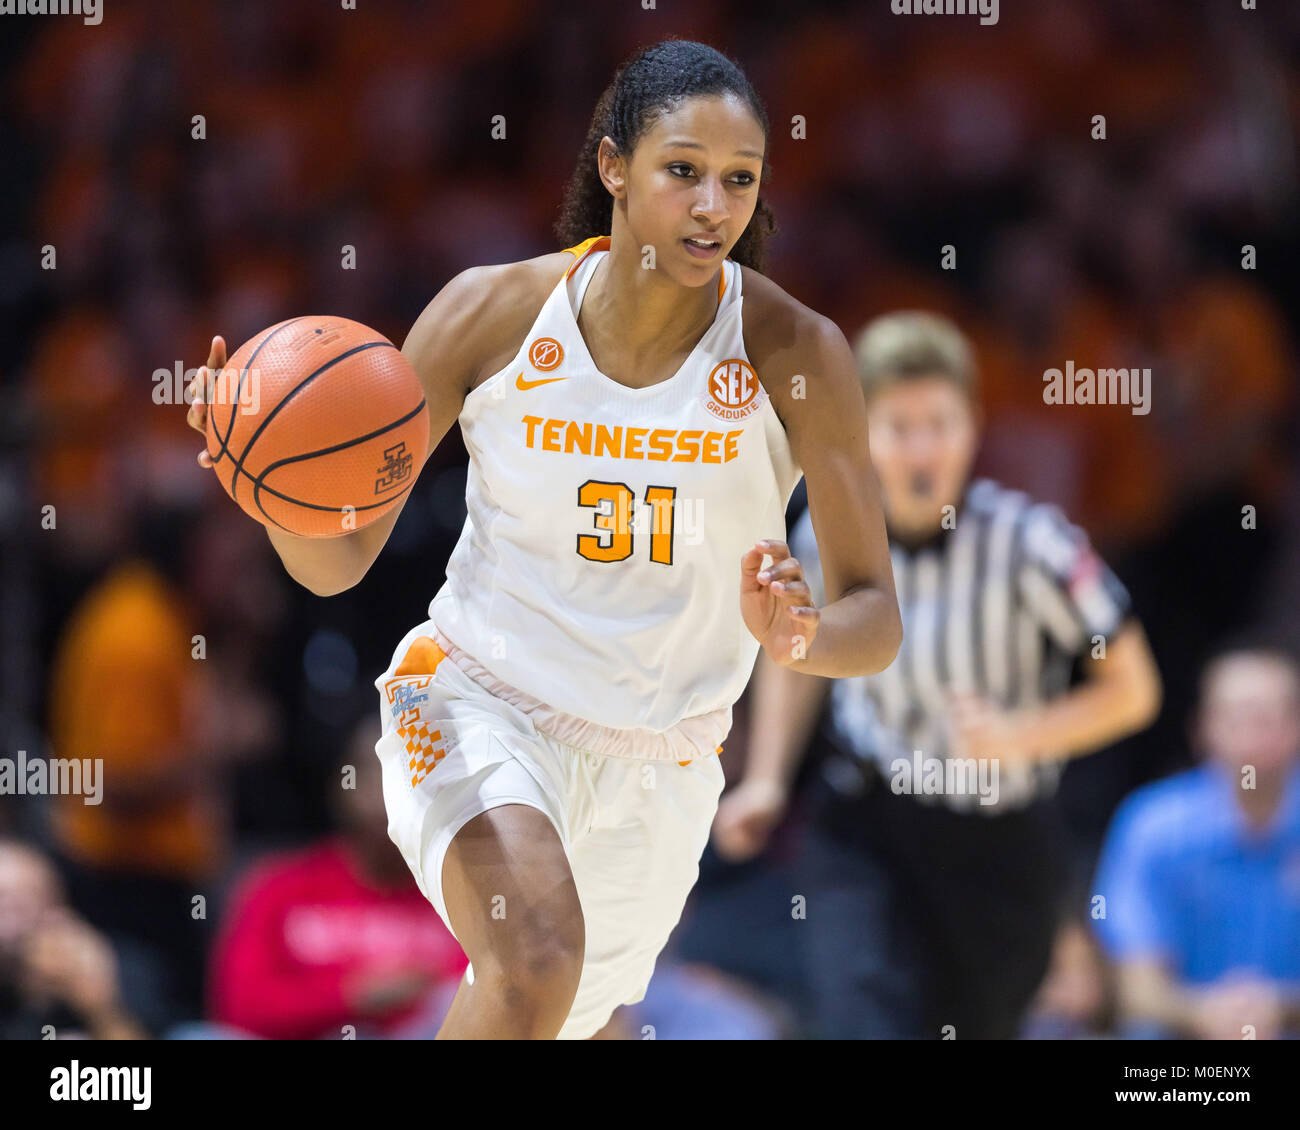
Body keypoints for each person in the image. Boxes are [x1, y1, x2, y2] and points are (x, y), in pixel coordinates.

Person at [185, 39, 901, 1039]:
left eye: (739, 180)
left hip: (663, 761)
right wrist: (277, 494)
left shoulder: (798, 353)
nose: (712, 206)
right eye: (682, 171)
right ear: (612, 166)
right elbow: (337, 561)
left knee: (563, 1013)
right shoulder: (492, 313)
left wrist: (800, 634)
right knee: (535, 960)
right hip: (478, 698)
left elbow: (874, 617)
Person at [714, 310, 1162, 1038]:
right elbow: (798, 656)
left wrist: (1024, 734)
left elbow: (1133, 689)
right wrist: (766, 778)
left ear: (976, 427)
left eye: (941, 424)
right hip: (867, 825)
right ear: (862, 432)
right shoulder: (826, 536)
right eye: (899, 426)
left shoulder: (1033, 544)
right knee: (863, 1020)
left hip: (999, 845)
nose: (923, 449)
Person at [206, 719, 467, 1039]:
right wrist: (352, 997)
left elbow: (488, 1001)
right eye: (379, 774)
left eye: (416, 778)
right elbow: (239, 1006)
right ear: (346, 784)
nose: (397, 794)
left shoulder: (461, 898)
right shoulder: (281, 887)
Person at [1092, 648, 1300, 1039]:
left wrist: (1278, 1008)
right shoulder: (1151, 824)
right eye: (1235, 716)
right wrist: (1206, 1014)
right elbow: (1135, 988)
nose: (1252, 735)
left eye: (1267, 717)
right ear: (1201, 728)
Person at [0, 839, 145, 1040]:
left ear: (56, 909)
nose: (10, 918)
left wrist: (97, 1004)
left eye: (22, 902)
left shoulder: (114, 964)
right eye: (2, 900)